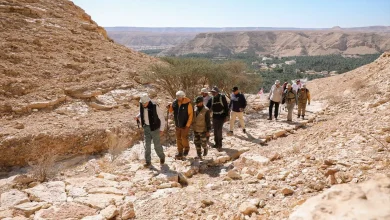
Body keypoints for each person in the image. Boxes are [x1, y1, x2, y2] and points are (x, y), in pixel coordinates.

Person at [135, 94, 166, 167]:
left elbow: (161, 117)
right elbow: (142, 112)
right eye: (142, 103)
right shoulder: (142, 104)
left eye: (144, 103)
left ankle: (162, 157)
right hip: (146, 127)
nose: (143, 105)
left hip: (154, 128)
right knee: (147, 145)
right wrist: (138, 116)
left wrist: (162, 129)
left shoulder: (155, 106)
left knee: (157, 145)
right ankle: (148, 161)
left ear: (148, 101)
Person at [167, 91, 193, 160]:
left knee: (184, 138)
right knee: (178, 138)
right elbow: (171, 110)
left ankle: (186, 149)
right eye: (177, 96)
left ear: (183, 96)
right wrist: (169, 107)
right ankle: (180, 151)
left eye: (179, 97)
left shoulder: (188, 104)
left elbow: (191, 115)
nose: (177, 98)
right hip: (177, 125)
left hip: (185, 125)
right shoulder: (175, 102)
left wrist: (187, 125)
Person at [206, 86, 229, 151]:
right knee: (215, 130)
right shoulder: (211, 99)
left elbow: (226, 107)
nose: (213, 93)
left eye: (214, 92)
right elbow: (207, 107)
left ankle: (220, 144)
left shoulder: (222, 97)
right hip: (215, 116)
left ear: (217, 92)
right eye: (212, 92)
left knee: (219, 130)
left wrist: (226, 116)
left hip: (221, 116)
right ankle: (216, 143)